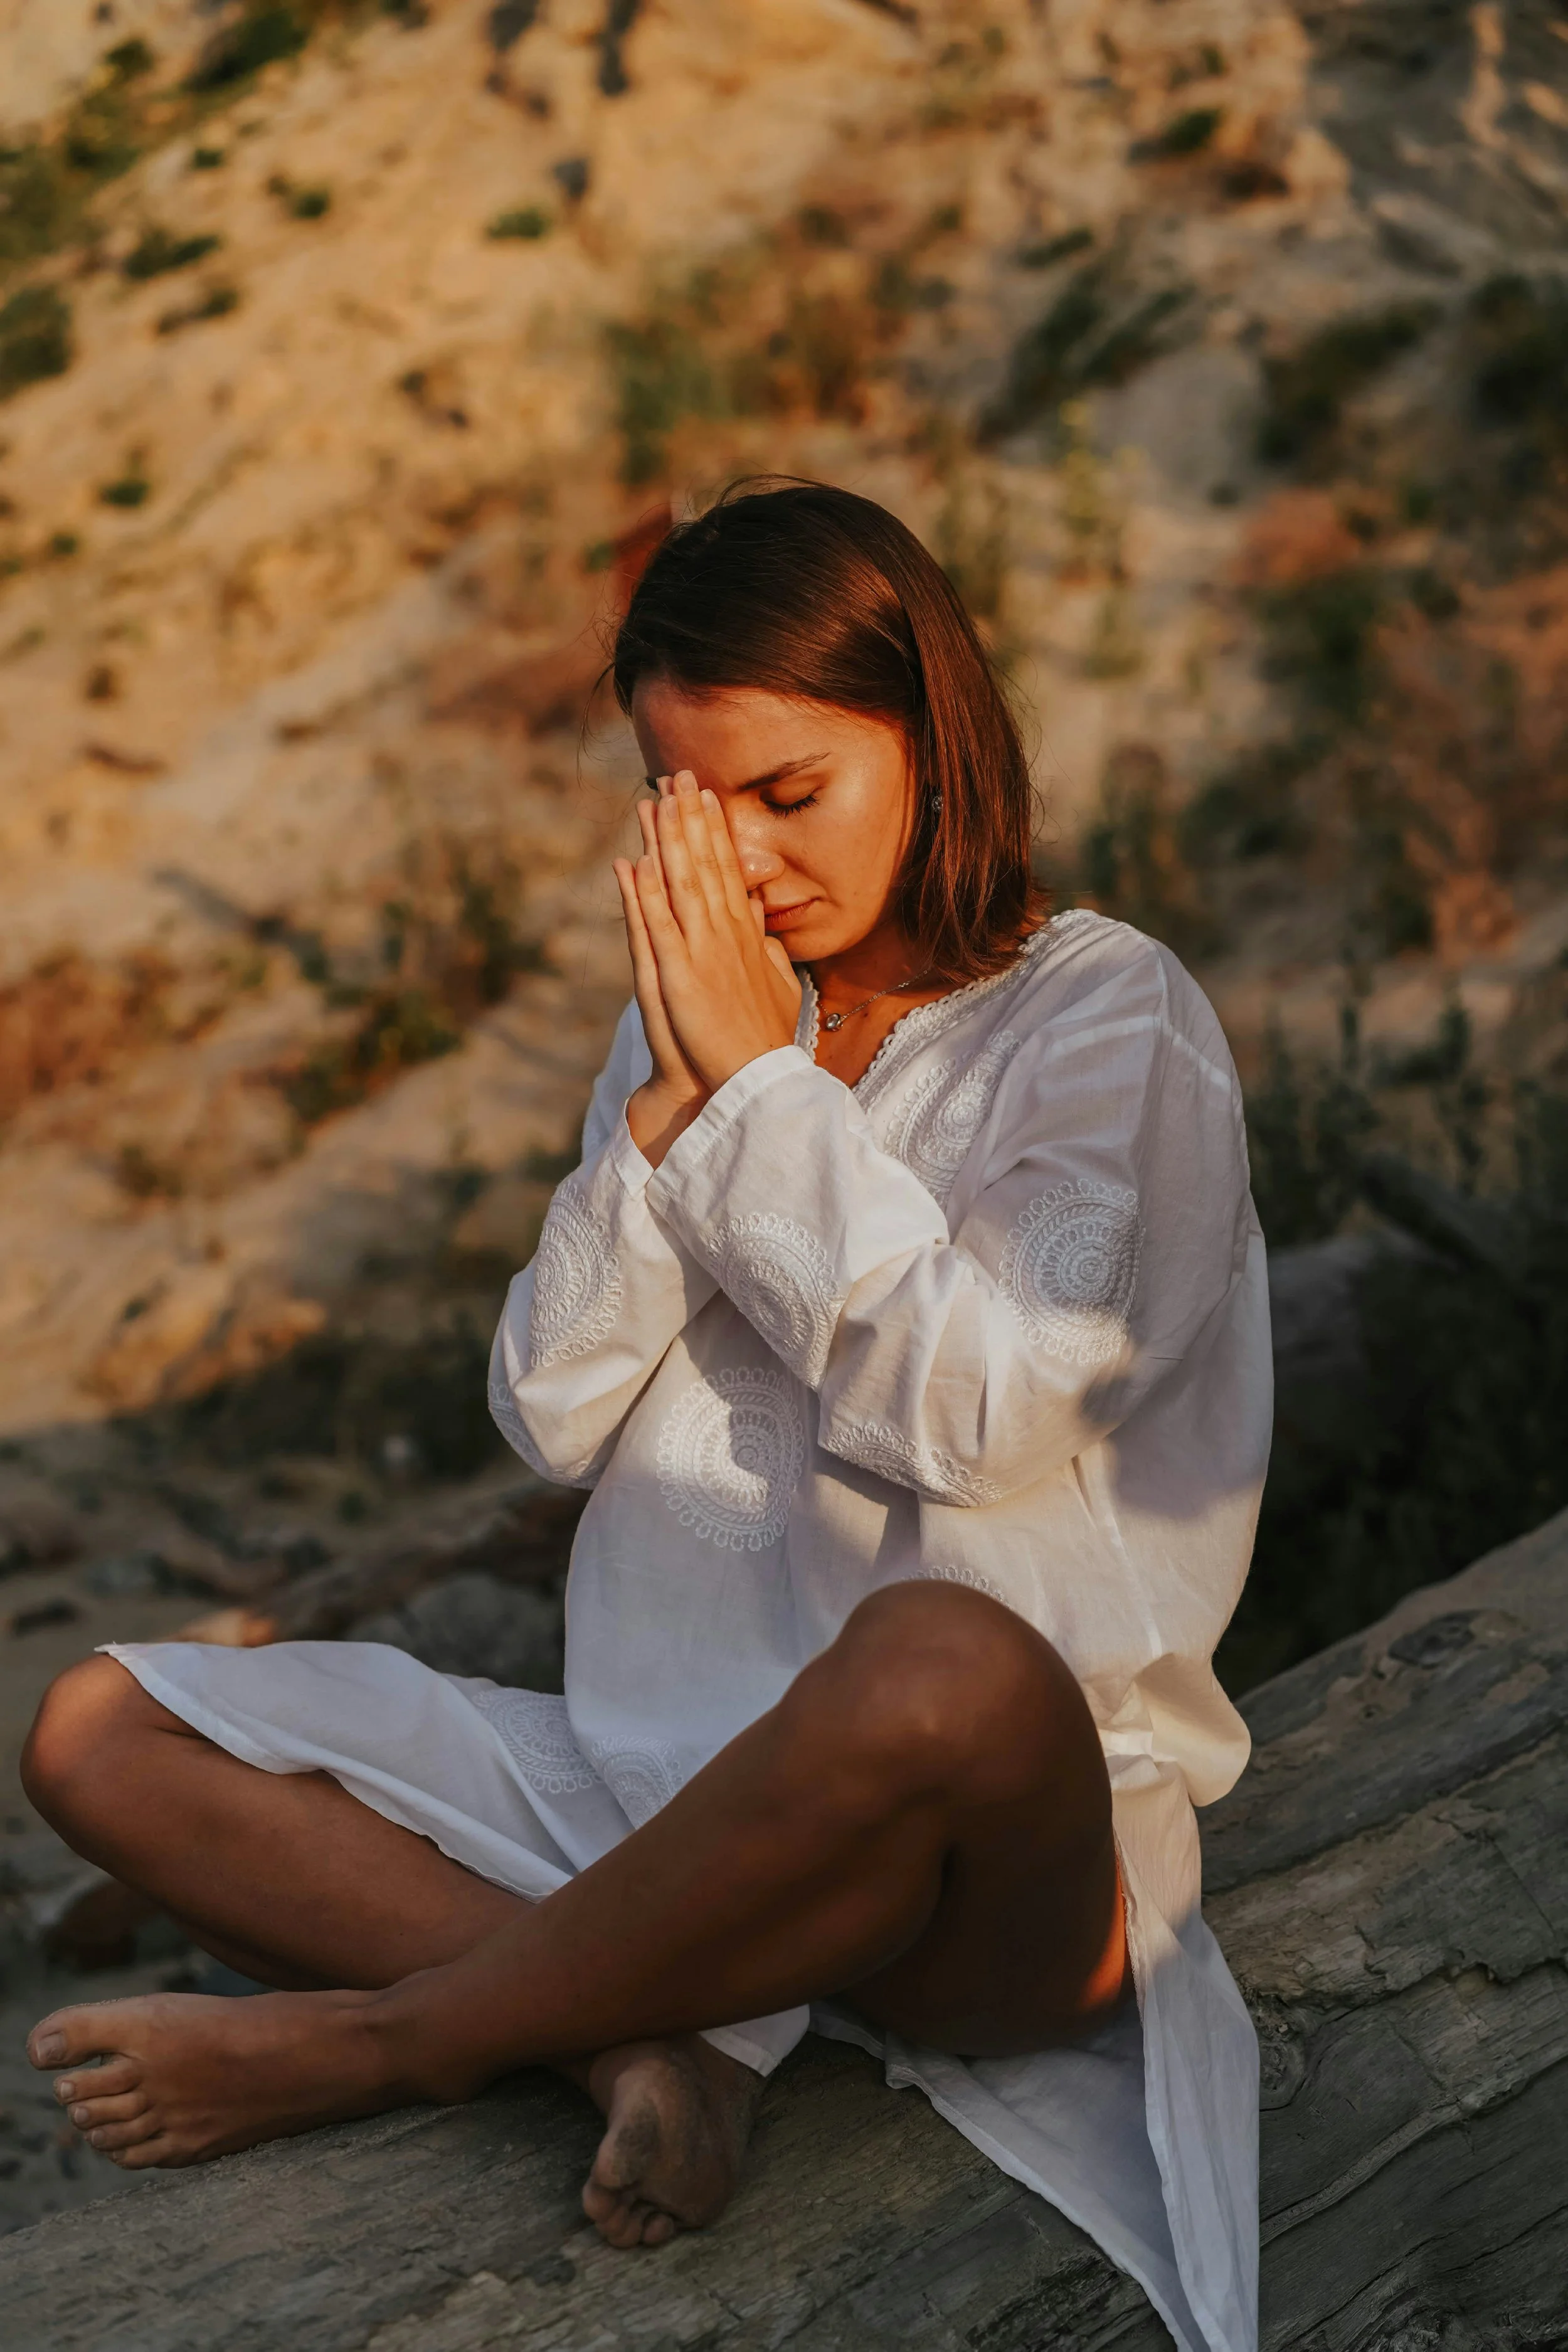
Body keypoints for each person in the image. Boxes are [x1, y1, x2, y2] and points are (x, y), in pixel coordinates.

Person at [20, 484, 1269, 2352]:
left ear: (933, 737)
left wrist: (757, 1091)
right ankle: (636, 2038)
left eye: (791, 792)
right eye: (696, 805)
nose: (747, 862)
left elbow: (989, 1415)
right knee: (99, 1730)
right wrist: (681, 1101)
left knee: (938, 1658)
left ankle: (400, 2036)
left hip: (993, 1856)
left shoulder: (1106, 1018)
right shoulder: (713, 1013)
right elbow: (550, 1406)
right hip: (646, 1795)